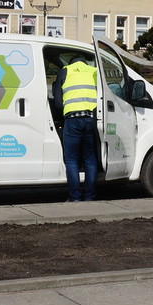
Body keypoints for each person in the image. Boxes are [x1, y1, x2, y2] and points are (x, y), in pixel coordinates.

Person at [54, 53, 99, 202]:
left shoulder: (65, 71)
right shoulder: (94, 72)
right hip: (91, 120)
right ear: (84, 63)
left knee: (72, 159)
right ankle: (90, 197)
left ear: (71, 62)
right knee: (90, 159)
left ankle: (75, 197)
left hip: (72, 120)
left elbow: (58, 103)